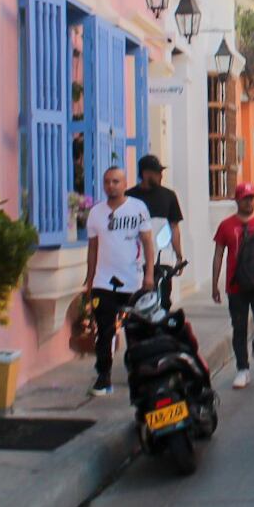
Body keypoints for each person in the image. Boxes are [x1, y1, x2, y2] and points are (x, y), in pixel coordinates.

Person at [83, 166, 156, 395]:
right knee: (104, 332)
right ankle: (103, 376)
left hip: (133, 281)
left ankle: (140, 374)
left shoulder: (137, 209)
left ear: (124, 184)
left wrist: (149, 275)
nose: (111, 186)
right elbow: (92, 249)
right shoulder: (96, 213)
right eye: (107, 182)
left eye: (116, 181)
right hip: (104, 282)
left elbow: (147, 243)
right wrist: (90, 279)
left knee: (135, 331)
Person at [211, 182, 254, 388]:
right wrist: (214, 284)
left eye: (251, 198)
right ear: (237, 200)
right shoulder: (226, 226)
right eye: (245, 198)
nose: (249, 202)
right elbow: (218, 255)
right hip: (236, 285)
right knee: (239, 327)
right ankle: (242, 369)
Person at [126, 154, 184, 300]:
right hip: (136, 260)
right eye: (156, 172)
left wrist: (178, 256)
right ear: (145, 174)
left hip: (162, 258)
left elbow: (174, 227)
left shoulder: (169, 195)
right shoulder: (129, 197)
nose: (160, 176)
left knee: (163, 298)